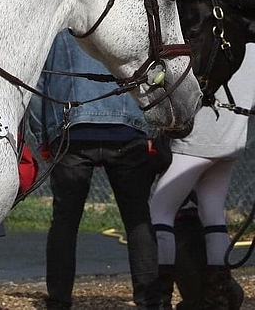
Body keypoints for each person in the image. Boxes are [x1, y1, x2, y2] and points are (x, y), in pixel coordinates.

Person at [28, 29, 163, 310]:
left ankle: (59, 301)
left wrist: (44, 135)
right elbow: (154, 76)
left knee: (65, 221)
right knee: (138, 218)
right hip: (128, 130)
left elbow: (39, 83)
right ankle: (149, 301)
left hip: (72, 131)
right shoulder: (130, 25)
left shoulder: (60, 32)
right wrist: (153, 129)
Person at [150, 0, 250, 310]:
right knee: (212, 211)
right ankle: (217, 291)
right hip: (233, 138)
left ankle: (158, 296)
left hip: (200, 138)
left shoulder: (210, 28)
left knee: (159, 209)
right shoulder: (245, 32)